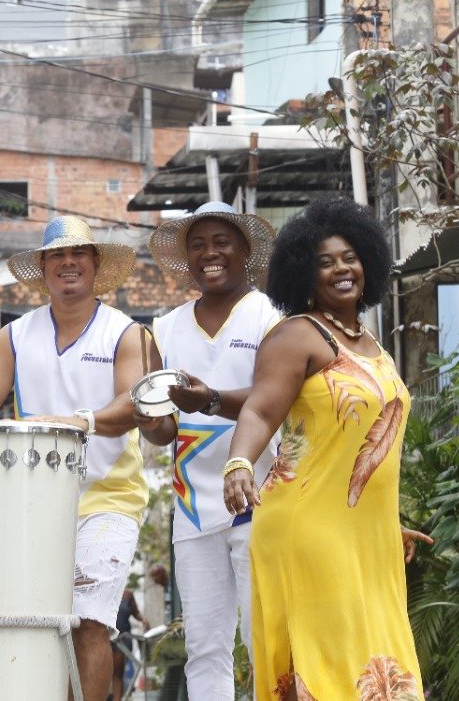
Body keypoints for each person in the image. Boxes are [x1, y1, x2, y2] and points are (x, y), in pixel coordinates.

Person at [222, 196, 433, 700]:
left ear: (368, 262)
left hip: (363, 534)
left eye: (349, 257)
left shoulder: (370, 341)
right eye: (324, 262)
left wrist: (382, 518)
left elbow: (362, 446)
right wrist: (238, 462)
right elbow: (258, 410)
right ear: (303, 274)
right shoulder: (297, 336)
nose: (341, 268)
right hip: (308, 527)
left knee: (372, 656)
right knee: (334, 659)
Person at [0, 215, 151, 701]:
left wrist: (81, 421)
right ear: (44, 268)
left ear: (94, 265)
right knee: (39, 622)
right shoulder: (14, 336)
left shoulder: (126, 332)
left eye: (78, 254)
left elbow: (133, 404)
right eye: (57, 256)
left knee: (89, 619)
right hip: (32, 501)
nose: (68, 263)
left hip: (109, 496)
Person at [139, 201, 277, 701]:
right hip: (192, 508)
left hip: (260, 497)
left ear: (244, 251)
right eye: (197, 244)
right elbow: (162, 430)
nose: (209, 253)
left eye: (221, 242)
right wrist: (152, 423)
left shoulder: (273, 316)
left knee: (264, 638)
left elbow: (273, 397)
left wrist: (212, 400)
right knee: (204, 646)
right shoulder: (165, 327)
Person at [110, 589, 144, 701]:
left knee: (118, 672)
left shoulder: (128, 594)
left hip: (123, 638)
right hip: (106, 638)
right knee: (106, 671)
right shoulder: (104, 591)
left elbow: (136, 613)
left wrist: (143, 620)